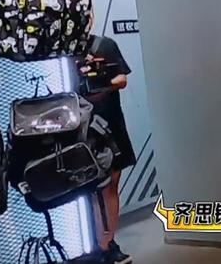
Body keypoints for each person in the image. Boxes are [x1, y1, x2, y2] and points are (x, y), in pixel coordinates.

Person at [80, 13, 136, 264]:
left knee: (111, 186)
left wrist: (100, 85)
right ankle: (94, 244)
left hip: (110, 125)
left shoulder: (105, 45)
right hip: (79, 130)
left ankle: (108, 243)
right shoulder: (61, 54)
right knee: (89, 190)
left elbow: (122, 79)